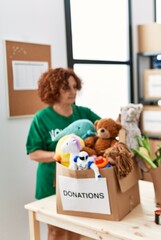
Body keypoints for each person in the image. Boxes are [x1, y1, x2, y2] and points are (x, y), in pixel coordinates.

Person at [26, 67, 101, 240]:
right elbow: (33, 153)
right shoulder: (42, 118)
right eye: (66, 88)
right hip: (50, 183)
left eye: (75, 87)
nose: (72, 92)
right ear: (53, 89)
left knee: (76, 229)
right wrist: (60, 155)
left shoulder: (84, 113)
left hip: (78, 183)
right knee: (56, 230)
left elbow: (104, 131)